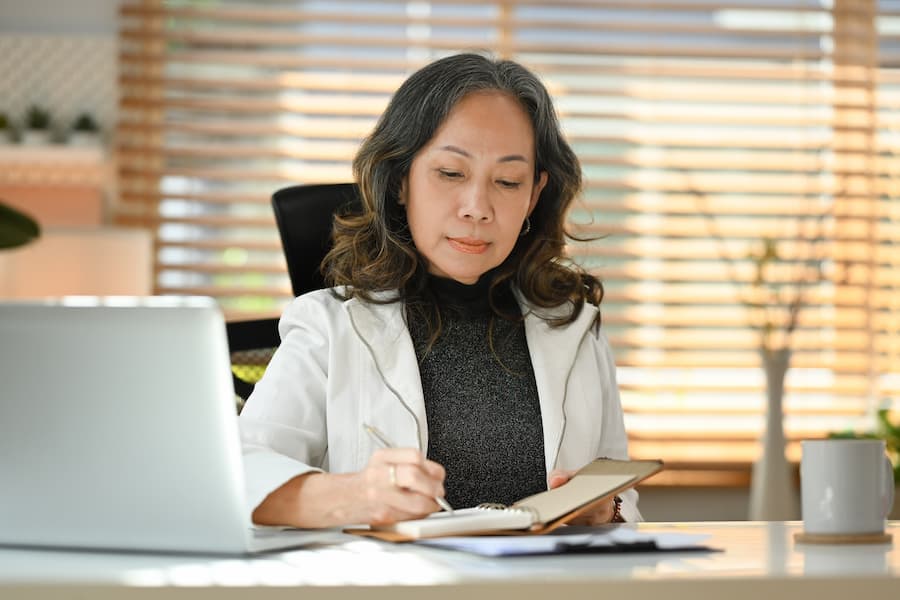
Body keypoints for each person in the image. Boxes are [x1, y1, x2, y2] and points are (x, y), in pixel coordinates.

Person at [239, 52, 640, 528]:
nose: (477, 207)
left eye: (508, 181)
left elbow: (623, 500)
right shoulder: (328, 326)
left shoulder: (574, 325)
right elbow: (240, 479)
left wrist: (606, 511)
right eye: (451, 173)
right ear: (401, 179)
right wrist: (355, 496)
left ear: (534, 194)